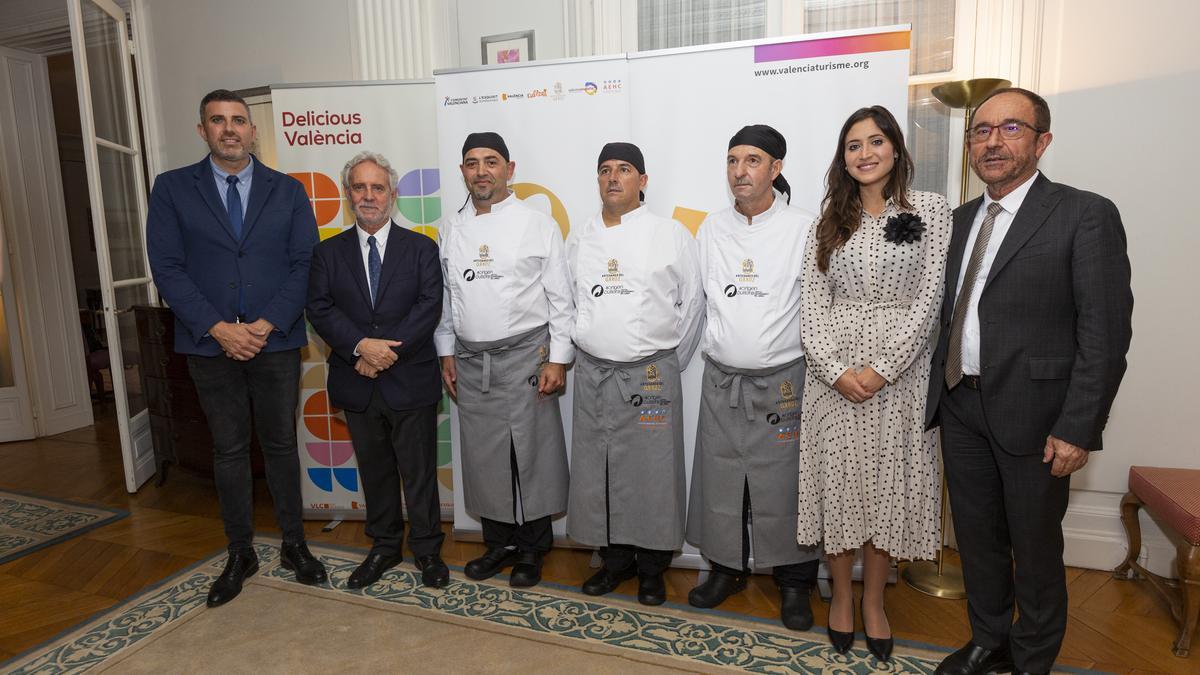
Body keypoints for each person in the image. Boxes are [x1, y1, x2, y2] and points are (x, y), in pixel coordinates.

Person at [927, 88, 1133, 675]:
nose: (992, 141)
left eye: (1011, 128)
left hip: (1038, 418)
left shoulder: (1084, 214)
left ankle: (1031, 658)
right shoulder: (961, 220)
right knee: (977, 540)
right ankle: (989, 641)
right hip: (961, 405)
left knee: (1036, 550)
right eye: (981, 131)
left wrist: (1077, 427)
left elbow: (1105, 334)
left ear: (1042, 141)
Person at [146, 89, 324, 607]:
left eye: (239, 120)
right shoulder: (173, 188)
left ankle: (295, 545)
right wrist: (220, 328)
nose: (229, 129)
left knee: (281, 445)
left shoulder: (288, 191)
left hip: (276, 341)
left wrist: (266, 324)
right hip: (210, 345)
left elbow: (305, 264)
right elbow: (168, 269)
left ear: (253, 131)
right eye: (217, 121)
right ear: (202, 131)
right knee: (227, 449)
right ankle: (239, 551)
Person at [798, 105, 952, 662]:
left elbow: (929, 298)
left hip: (900, 377)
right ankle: (841, 597)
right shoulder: (826, 221)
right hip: (830, 377)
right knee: (840, 485)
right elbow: (813, 304)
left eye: (876, 141)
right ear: (843, 158)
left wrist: (883, 367)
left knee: (887, 486)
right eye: (853, 145)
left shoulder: (930, 211)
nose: (865, 153)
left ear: (896, 149)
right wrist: (836, 369)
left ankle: (874, 604)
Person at [685, 124, 822, 630]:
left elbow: (818, 307)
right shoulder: (711, 229)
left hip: (785, 380)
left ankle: (794, 582)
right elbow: (698, 304)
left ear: (776, 168)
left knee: (786, 484)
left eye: (753, 160)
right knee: (723, 479)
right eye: (732, 160)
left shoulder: (806, 227)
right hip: (722, 378)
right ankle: (725, 569)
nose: (740, 171)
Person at [565, 142, 703, 605]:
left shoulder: (671, 234)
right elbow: (568, 302)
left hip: (650, 374)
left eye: (624, 170)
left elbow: (693, 305)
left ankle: (652, 569)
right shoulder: (580, 237)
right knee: (599, 469)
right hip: (594, 374)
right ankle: (614, 562)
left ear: (642, 181)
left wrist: (663, 363)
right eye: (604, 170)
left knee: (653, 471)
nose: (613, 178)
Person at [434, 132, 574, 588]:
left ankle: (533, 548)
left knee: (529, 454)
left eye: (491, 162)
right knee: (485, 456)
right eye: (472, 163)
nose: (481, 171)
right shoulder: (449, 228)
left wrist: (557, 359)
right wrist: (446, 350)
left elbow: (561, 299)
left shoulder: (537, 224)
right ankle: (499, 544)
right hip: (472, 361)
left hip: (525, 357)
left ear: (509, 169)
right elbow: (446, 299)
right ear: (462, 173)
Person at [306, 151, 448, 590]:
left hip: (409, 380)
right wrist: (360, 349)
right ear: (348, 194)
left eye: (378, 187)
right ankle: (385, 547)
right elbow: (319, 308)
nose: (369, 196)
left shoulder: (422, 248)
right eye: (360, 187)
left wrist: (385, 354)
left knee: (419, 471)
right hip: (358, 383)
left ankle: (427, 552)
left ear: (393, 194)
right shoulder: (327, 253)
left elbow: (429, 308)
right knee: (376, 471)